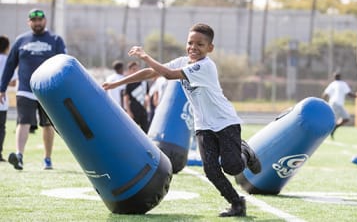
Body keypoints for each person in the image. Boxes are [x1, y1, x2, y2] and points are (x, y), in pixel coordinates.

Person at [103, 23, 261, 217]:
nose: (193, 47)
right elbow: (151, 73)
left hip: (225, 122)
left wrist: (145, 56)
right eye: (190, 43)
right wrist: (115, 83)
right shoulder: (182, 61)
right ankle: (237, 203)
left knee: (232, 167)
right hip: (203, 126)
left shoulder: (205, 66)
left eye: (200, 44)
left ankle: (246, 151)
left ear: (210, 48)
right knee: (211, 170)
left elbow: (168, 75)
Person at [0, 8, 67, 170]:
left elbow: (63, 64)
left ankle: (47, 159)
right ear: (29, 22)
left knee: (47, 125)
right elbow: (10, 65)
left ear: (45, 21)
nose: (37, 23)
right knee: (23, 122)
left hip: (48, 91)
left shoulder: (56, 39)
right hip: (25, 89)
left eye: (40, 20)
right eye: (34, 20)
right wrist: (2, 88)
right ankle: (19, 156)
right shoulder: (21, 40)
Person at [322, 72, 357, 139]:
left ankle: (334, 128)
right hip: (336, 104)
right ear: (340, 77)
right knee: (334, 121)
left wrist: (323, 103)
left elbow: (325, 94)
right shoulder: (343, 84)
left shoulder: (332, 84)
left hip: (334, 104)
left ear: (334, 78)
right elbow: (349, 94)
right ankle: (324, 132)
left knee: (346, 118)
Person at [0, 35, 17, 162]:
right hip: (2, 101)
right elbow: (13, 83)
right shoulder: (8, 60)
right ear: (7, 47)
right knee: (1, 128)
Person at [123, 61, 150, 132]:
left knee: (146, 130)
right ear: (130, 71)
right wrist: (128, 112)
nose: (136, 71)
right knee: (132, 131)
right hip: (133, 110)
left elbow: (147, 94)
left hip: (143, 110)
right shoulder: (128, 83)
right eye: (134, 69)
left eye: (137, 69)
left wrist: (147, 101)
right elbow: (126, 98)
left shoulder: (144, 82)